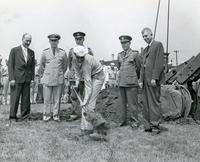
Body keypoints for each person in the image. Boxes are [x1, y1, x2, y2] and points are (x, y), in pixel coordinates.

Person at [72, 45, 105, 136]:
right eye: (78, 57)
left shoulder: (87, 62)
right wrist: (76, 84)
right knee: (86, 103)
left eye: (81, 58)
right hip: (90, 77)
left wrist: (85, 101)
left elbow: (88, 86)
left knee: (89, 103)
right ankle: (85, 127)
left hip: (98, 77)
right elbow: (77, 74)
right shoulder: (73, 59)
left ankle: (91, 129)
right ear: (75, 55)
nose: (79, 59)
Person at [139, 27, 165, 134]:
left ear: (151, 34)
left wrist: (155, 77)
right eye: (143, 37)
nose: (145, 38)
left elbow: (159, 63)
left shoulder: (158, 45)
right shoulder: (145, 50)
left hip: (153, 80)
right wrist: (140, 80)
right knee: (146, 103)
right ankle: (147, 126)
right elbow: (142, 66)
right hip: (145, 81)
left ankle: (155, 126)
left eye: (146, 35)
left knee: (154, 103)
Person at [39, 34, 68, 121]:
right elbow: (42, 65)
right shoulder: (45, 52)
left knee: (57, 99)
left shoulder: (62, 53)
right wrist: (47, 73)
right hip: (47, 78)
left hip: (58, 78)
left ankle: (56, 115)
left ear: (58, 41)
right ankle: (46, 115)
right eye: (52, 41)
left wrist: (59, 73)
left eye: (55, 41)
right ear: (49, 41)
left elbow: (65, 66)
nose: (53, 42)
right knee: (47, 99)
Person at [8, 33, 35, 121]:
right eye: (26, 40)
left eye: (30, 41)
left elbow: (32, 67)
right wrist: (11, 78)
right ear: (22, 39)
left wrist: (32, 79)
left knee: (26, 100)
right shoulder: (14, 50)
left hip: (27, 79)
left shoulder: (31, 52)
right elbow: (10, 65)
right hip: (16, 79)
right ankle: (12, 116)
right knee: (15, 99)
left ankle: (25, 116)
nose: (28, 42)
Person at [67, 32, 94, 120]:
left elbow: (92, 63)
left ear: (83, 39)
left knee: (85, 95)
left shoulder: (88, 50)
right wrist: (71, 75)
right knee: (74, 96)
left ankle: (85, 114)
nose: (78, 41)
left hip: (85, 76)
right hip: (75, 77)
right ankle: (74, 113)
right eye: (77, 39)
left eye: (80, 39)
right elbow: (69, 65)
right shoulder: (71, 51)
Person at [117, 35, 141, 128]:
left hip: (131, 83)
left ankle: (134, 122)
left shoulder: (135, 54)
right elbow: (119, 68)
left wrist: (136, 79)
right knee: (122, 104)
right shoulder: (119, 55)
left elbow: (139, 68)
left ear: (129, 43)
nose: (124, 45)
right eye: (122, 43)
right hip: (122, 83)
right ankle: (122, 121)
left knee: (132, 104)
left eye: (125, 43)